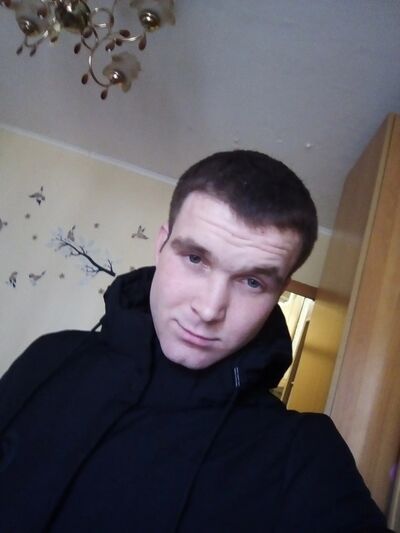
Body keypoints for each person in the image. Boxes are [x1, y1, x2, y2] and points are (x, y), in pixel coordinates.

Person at [0, 151, 390, 532]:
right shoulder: (50, 357)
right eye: (195, 259)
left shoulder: (300, 452)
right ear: (161, 244)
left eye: (252, 282)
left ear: (280, 291)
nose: (209, 309)